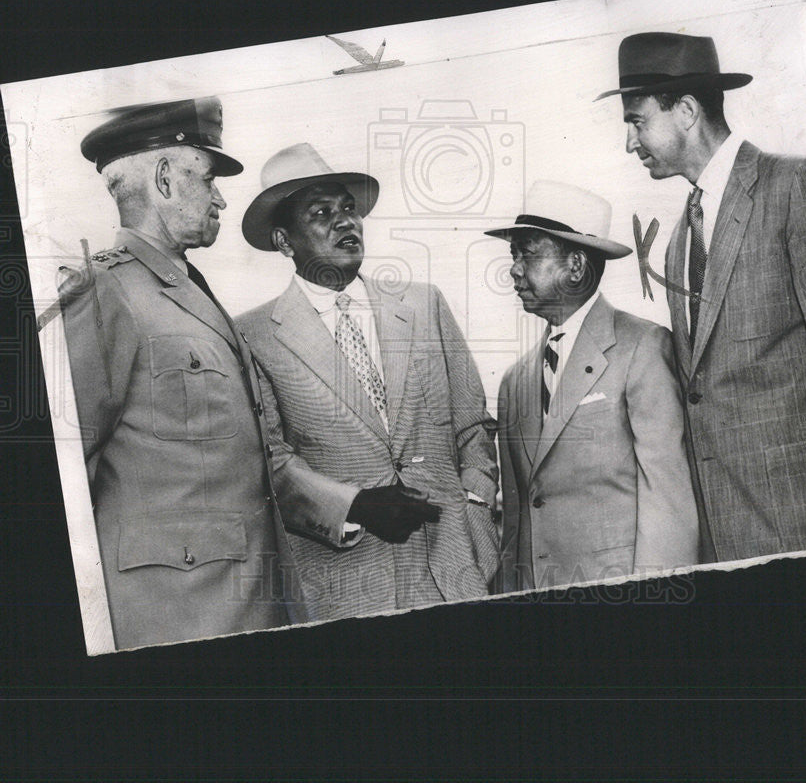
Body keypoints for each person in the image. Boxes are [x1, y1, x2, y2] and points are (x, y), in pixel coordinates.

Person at [598, 31, 806, 561]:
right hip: (726, 533)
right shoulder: (681, 234)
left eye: (636, 122)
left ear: (684, 110)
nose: (630, 143)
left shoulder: (794, 184)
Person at [59, 97, 302, 649]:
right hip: (170, 619)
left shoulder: (188, 291)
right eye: (210, 178)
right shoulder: (103, 292)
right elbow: (65, 474)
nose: (219, 197)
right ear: (165, 178)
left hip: (245, 603)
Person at [236, 143, 500, 622]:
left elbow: (472, 423)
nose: (345, 222)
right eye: (321, 213)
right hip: (345, 586)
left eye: (348, 209)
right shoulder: (252, 336)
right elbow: (269, 457)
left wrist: (475, 507)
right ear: (283, 240)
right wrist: (353, 505)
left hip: (455, 569)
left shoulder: (423, 304)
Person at [485, 181, 698, 592]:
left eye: (527, 253)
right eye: (513, 254)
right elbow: (515, 520)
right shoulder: (514, 382)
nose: (513, 269)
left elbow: (668, 498)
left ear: (577, 266)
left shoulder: (642, 347)